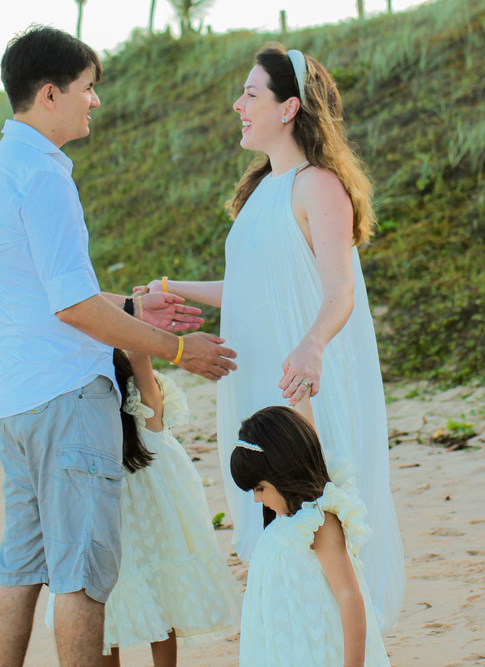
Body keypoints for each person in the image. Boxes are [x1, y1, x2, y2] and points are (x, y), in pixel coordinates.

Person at [0, 25, 237, 667]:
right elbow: (72, 308)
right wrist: (178, 351)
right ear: (50, 92)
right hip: (65, 396)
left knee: (22, 567)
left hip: (15, 399)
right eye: (88, 89)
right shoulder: (44, 176)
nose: (95, 102)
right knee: (84, 576)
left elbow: (48, 294)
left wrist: (132, 305)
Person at [144, 43, 403, 631]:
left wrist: (312, 344)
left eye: (251, 94)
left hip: (302, 387)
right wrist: (169, 286)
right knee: (276, 522)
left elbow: (340, 289)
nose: (239, 105)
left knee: (318, 525)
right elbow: (248, 286)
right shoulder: (262, 192)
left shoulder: (319, 186)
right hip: (258, 384)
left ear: (289, 108)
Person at [45, 335, 242, 665]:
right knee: (161, 600)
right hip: (155, 529)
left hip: (107, 528)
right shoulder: (143, 414)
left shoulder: (95, 426)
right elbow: (139, 362)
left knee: (106, 605)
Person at [230, 405, 390, 667]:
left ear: (285, 471)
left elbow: (349, 595)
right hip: (283, 647)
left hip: (318, 649)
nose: (257, 499)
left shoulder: (318, 522)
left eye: (260, 488)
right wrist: (302, 397)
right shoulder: (286, 520)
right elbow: (303, 441)